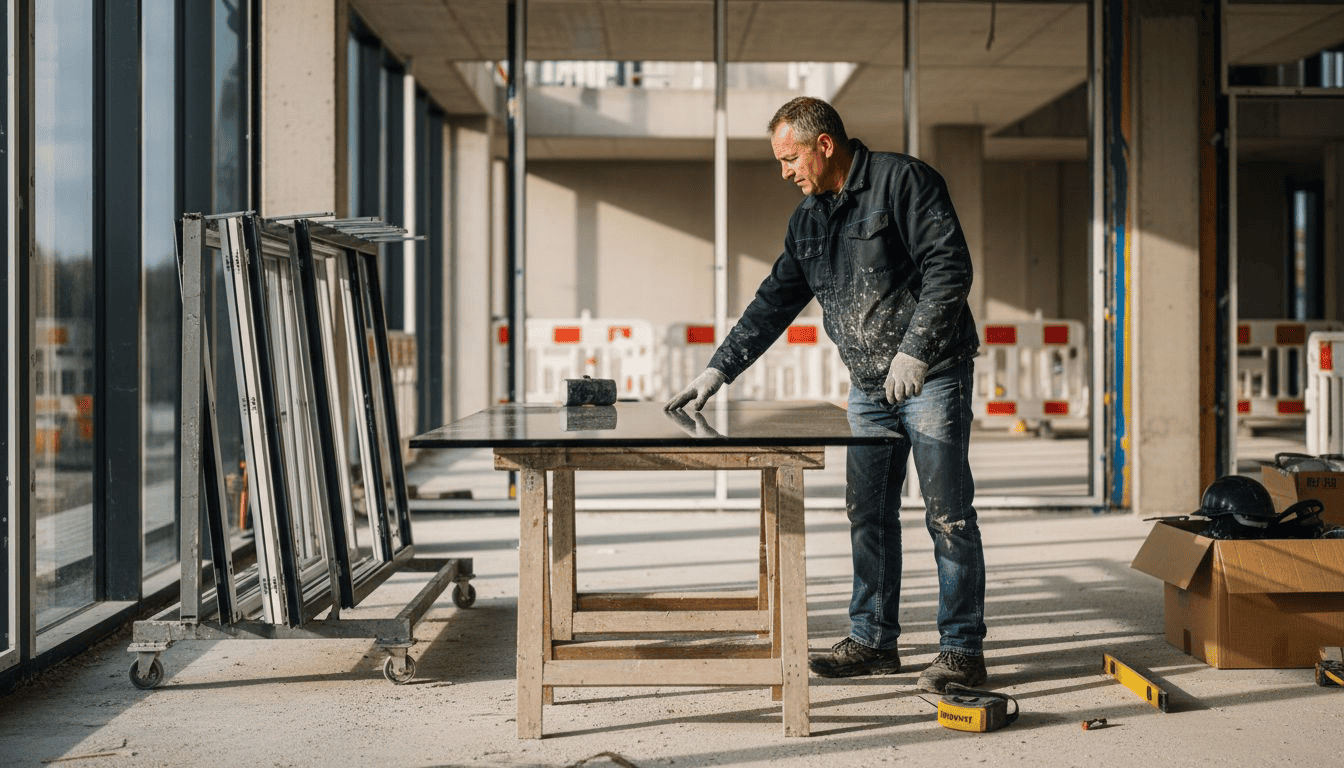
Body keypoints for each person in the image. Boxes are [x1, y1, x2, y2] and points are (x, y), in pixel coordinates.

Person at [664, 97, 987, 693]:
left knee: (948, 516)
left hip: (932, 373)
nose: (785, 171)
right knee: (868, 514)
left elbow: (950, 266)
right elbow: (774, 302)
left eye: (790, 158)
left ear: (825, 145)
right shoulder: (808, 220)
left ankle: (962, 650)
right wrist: (717, 371)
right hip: (867, 387)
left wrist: (916, 351)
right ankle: (872, 641)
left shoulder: (902, 181)